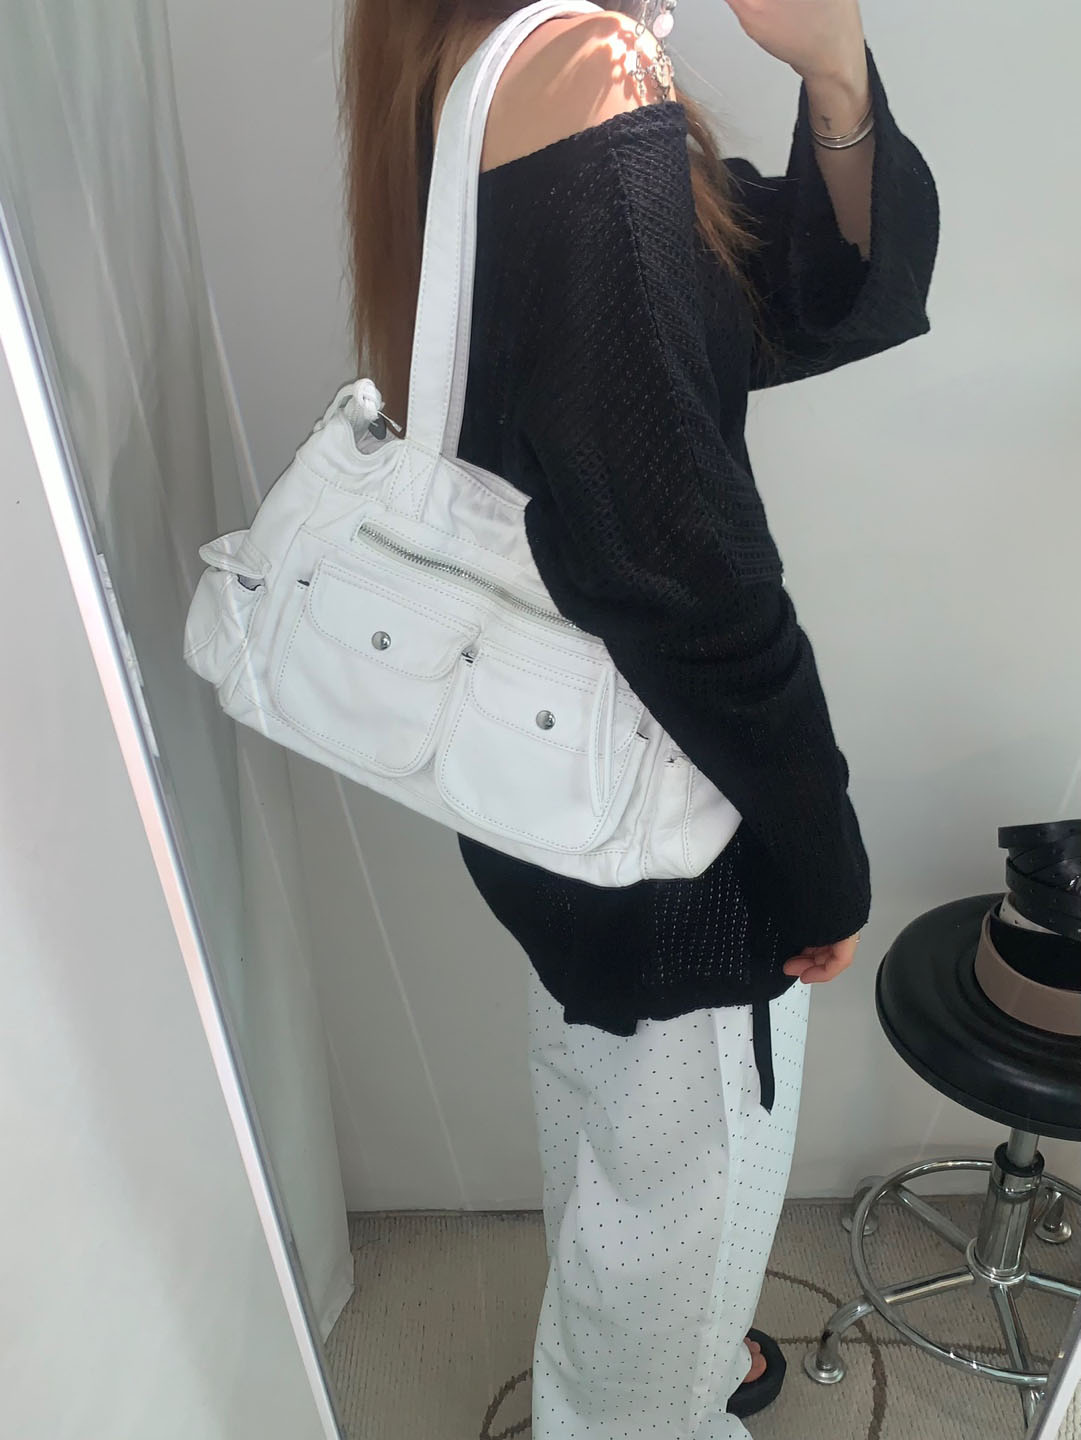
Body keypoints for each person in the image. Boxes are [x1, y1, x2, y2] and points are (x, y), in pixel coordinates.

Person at [340, 1, 939, 1434]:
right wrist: (816, 851)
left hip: (557, 771)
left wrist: (832, 69)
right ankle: (639, 1398)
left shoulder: (490, 64)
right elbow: (679, 566)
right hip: (664, 795)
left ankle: (654, 1362)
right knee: (683, 1191)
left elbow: (775, 302)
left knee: (622, 1139)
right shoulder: (580, 80)